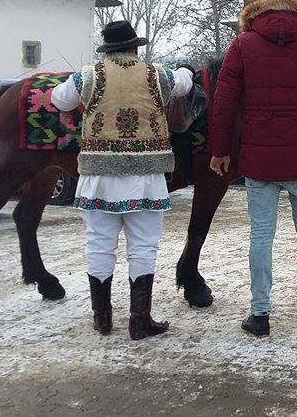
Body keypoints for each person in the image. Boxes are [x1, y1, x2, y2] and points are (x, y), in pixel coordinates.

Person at [209, 0, 297, 337]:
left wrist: (220, 151)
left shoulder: (243, 44)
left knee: (261, 234)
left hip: (259, 158)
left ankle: (260, 314)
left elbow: (223, 102)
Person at [52, 20, 193, 340]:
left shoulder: (89, 75)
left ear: (107, 50)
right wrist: (187, 70)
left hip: (99, 175)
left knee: (99, 245)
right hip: (146, 177)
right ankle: (139, 320)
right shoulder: (156, 75)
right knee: (143, 247)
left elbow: (60, 99)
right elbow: (183, 83)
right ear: (135, 47)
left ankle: (102, 319)